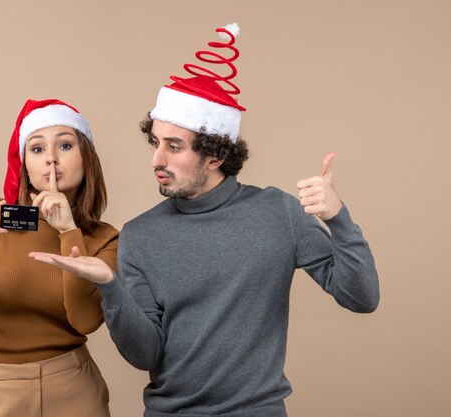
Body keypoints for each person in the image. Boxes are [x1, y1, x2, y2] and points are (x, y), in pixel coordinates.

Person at [30, 23, 380, 417]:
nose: (156, 160)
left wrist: (338, 219)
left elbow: (361, 297)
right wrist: (111, 288)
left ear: (215, 157)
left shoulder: (277, 213)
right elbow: (146, 354)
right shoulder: (141, 235)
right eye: (156, 142)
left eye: (173, 146)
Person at [0, 99, 118, 417]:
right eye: (38, 149)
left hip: (74, 390)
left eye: (66, 145)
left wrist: (68, 231)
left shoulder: (105, 238)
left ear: (86, 157)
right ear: (24, 163)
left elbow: (85, 320)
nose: (52, 160)